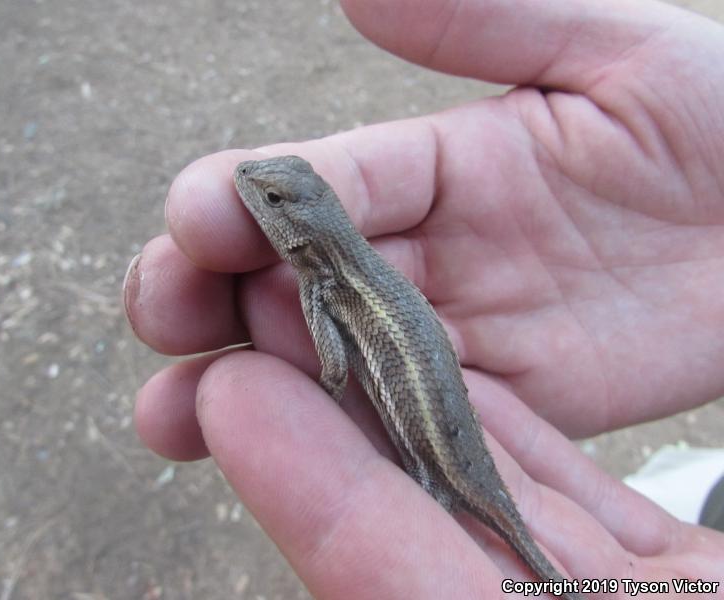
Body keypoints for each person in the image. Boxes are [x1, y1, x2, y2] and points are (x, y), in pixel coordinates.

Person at [122, 0, 724, 597]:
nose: (249, 188)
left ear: (302, 231)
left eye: (273, 200)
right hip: (458, 434)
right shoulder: (332, 276)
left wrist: (328, 396)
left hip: (444, 457)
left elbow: (334, 370)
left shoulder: (325, 283)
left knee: (519, 558)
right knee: (543, 563)